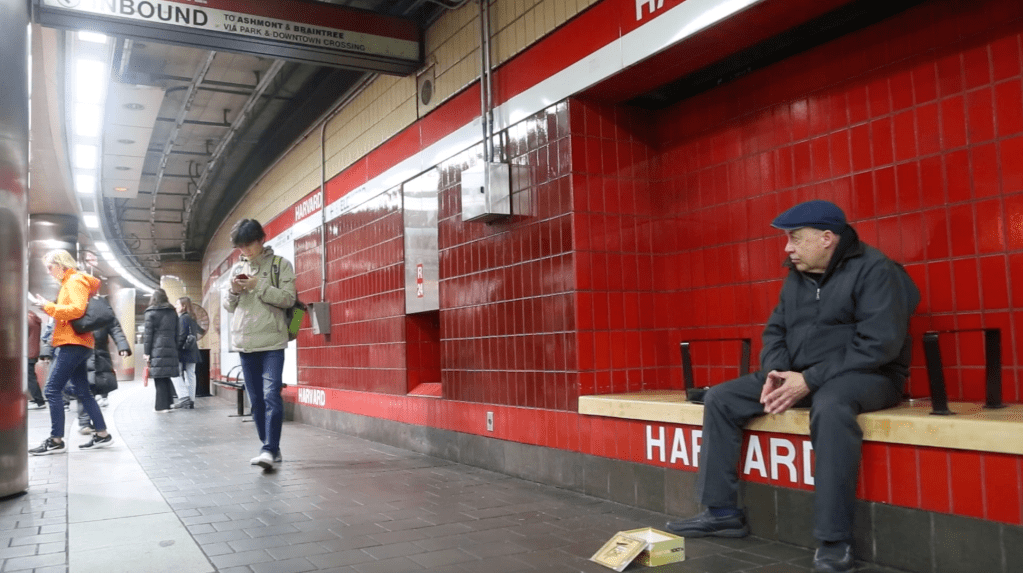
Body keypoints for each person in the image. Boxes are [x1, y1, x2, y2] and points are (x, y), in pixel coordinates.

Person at [664, 201, 920, 573]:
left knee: (830, 407)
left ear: (827, 238)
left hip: (869, 377)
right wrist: (776, 372)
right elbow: (775, 332)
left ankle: (834, 541)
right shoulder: (797, 277)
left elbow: (879, 344)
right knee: (720, 398)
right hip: (799, 375)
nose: (788, 248)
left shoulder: (877, 270)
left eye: (795, 239)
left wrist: (810, 380)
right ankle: (721, 513)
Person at [223, 218, 295, 470]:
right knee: (256, 400)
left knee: (271, 395)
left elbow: (288, 299)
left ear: (261, 239)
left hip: (273, 342)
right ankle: (270, 447)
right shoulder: (236, 269)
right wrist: (233, 290)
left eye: (249, 245)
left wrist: (258, 285)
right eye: (241, 247)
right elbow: (228, 306)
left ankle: (268, 449)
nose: (245, 251)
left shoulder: (280, 265)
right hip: (246, 343)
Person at [27, 249, 114, 454]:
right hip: (77, 342)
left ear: (61, 264)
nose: (49, 272)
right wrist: (48, 305)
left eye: (50, 267)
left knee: (51, 390)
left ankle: (56, 440)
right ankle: (102, 435)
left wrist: (49, 307)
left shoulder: (74, 281)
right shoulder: (71, 282)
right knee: (83, 391)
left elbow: (76, 310)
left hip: (72, 343)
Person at [77, 314, 132, 433]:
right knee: (83, 387)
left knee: (94, 386)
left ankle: (94, 426)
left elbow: (114, 326)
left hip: (98, 353)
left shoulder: (100, 307)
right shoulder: (76, 304)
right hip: (82, 351)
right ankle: (85, 423)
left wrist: (122, 345)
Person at [143, 289, 180, 413]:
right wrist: (176, 346)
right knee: (166, 376)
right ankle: (169, 403)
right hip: (171, 346)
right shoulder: (172, 311)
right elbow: (178, 331)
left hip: (156, 348)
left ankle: (161, 406)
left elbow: (148, 335)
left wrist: (146, 352)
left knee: (159, 377)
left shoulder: (151, 312)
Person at [170, 296, 202, 409]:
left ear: (184, 306)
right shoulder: (192, 317)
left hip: (183, 351)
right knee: (191, 375)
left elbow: (181, 335)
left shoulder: (183, 318)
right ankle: (191, 400)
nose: (175, 306)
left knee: (175, 374)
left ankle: (184, 398)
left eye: (177, 304)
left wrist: (175, 348)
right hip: (192, 349)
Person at [26, 310, 46, 409]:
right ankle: (36, 399)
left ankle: (39, 401)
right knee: (30, 377)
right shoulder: (33, 317)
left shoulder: (26, 319)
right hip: (33, 350)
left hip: (27, 352)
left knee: (30, 378)